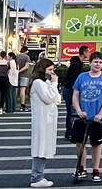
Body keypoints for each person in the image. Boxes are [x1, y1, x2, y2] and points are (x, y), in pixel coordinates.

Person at [71, 51, 102, 183]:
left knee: (97, 144)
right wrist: (78, 110)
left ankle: (96, 170)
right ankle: (82, 167)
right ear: (89, 63)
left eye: (101, 62)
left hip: (97, 118)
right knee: (80, 143)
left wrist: (100, 113)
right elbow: (75, 95)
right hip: (82, 117)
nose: (98, 64)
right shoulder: (82, 77)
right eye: (95, 62)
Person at [28, 58, 60, 188]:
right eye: (50, 70)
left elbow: (57, 98)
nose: (52, 73)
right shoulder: (38, 83)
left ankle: (39, 175)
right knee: (40, 148)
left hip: (47, 120)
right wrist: (54, 84)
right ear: (42, 70)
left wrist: (52, 87)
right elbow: (48, 98)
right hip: (42, 120)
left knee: (44, 147)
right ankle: (36, 177)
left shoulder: (44, 82)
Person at [63, 45, 90, 141]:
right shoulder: (76, 64)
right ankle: (70, 133)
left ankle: (70, 132)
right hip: (70, 89)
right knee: (71, 111)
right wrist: (76, 91)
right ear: (84, 53)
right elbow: (73, 79)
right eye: (88, 51)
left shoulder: (77, 62)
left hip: (69, 88)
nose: (89, 53)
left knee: (72, 111)